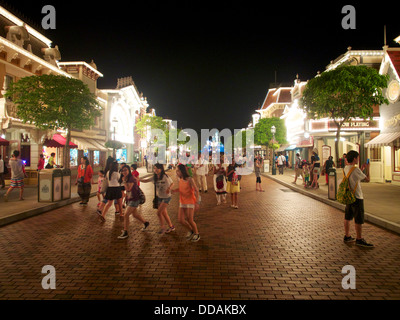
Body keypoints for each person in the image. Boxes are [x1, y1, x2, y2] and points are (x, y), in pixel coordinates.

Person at [343, 150, 373, 248]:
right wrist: (368, 169)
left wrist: (361, 169)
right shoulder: (355, 170)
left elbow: (354, 175)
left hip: (348, 196)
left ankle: (347, 235)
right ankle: (359, 238)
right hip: (357, 196)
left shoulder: (346, 168)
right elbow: (367, 179)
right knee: (358, 219)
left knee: (347, 217)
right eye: (358, 157)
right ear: (355, 158)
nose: (358, 159)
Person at [141, 163, 175, 234]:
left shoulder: (165, 177)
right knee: (164, 213)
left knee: (159, 213)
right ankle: (171, 226)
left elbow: (172, 183)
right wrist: (138, 179)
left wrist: (169, 188)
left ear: (161, 169)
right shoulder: (155, 177)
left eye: (157, 168)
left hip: (166, 197)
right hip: (159, 197)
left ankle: (163, 227)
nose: (155, 170)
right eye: (154, 168)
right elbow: (146, 180)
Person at [118, 165, 149, 239]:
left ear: (129, 170)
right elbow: (128, 192)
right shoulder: (126, 178)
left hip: (135, 199)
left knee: (126, 215)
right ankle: (145, 223)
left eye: (125, 170)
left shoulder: (131, 178)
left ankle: (125, 232)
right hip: (130, 199)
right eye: (123, 170)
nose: (124, 172)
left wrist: (124, 181)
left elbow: (128, 189)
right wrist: (125, 199)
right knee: (134, 214)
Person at [172, 163, 200, 242]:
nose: (176, 172)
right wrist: (174, 190)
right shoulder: (179, 179)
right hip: (182, 201)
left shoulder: (190, 179)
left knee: (189, 219)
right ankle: (191, 230)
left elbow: (196, 190)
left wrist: (197, 202)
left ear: (182, 171)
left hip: (190, 201)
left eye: (178, 171)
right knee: (180, 220)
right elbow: (181, 189)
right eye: (176, 171)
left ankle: (197, 234)